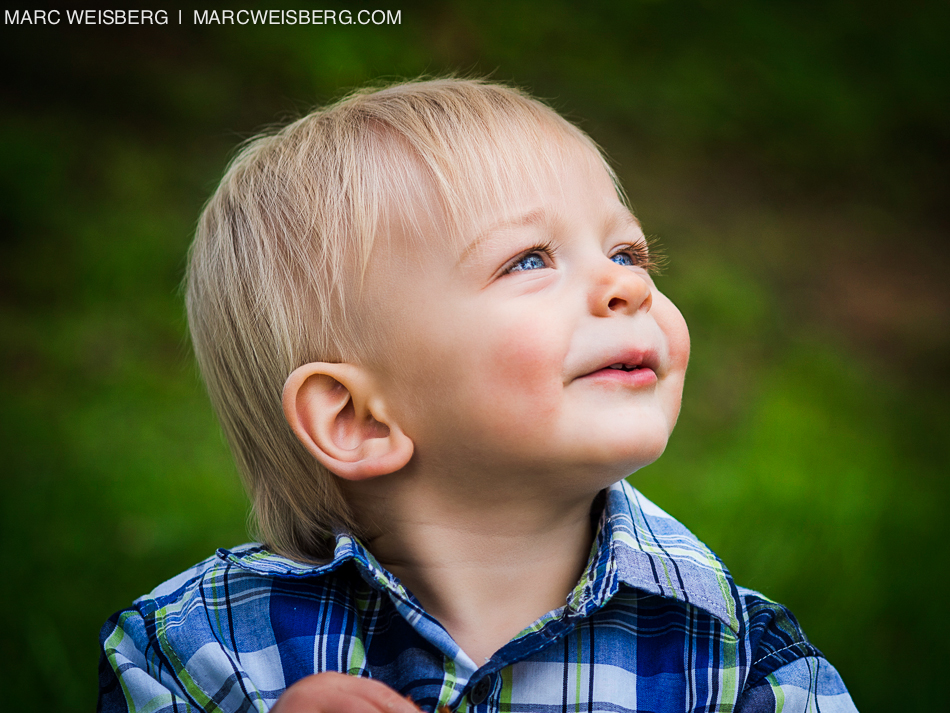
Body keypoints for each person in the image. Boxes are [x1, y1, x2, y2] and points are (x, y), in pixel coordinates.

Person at [98, 78, 858, 713]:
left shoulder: (744, 660)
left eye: (628, 251)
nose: (629, 284)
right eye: (529, 260)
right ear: (358, 418)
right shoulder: (199, 650)